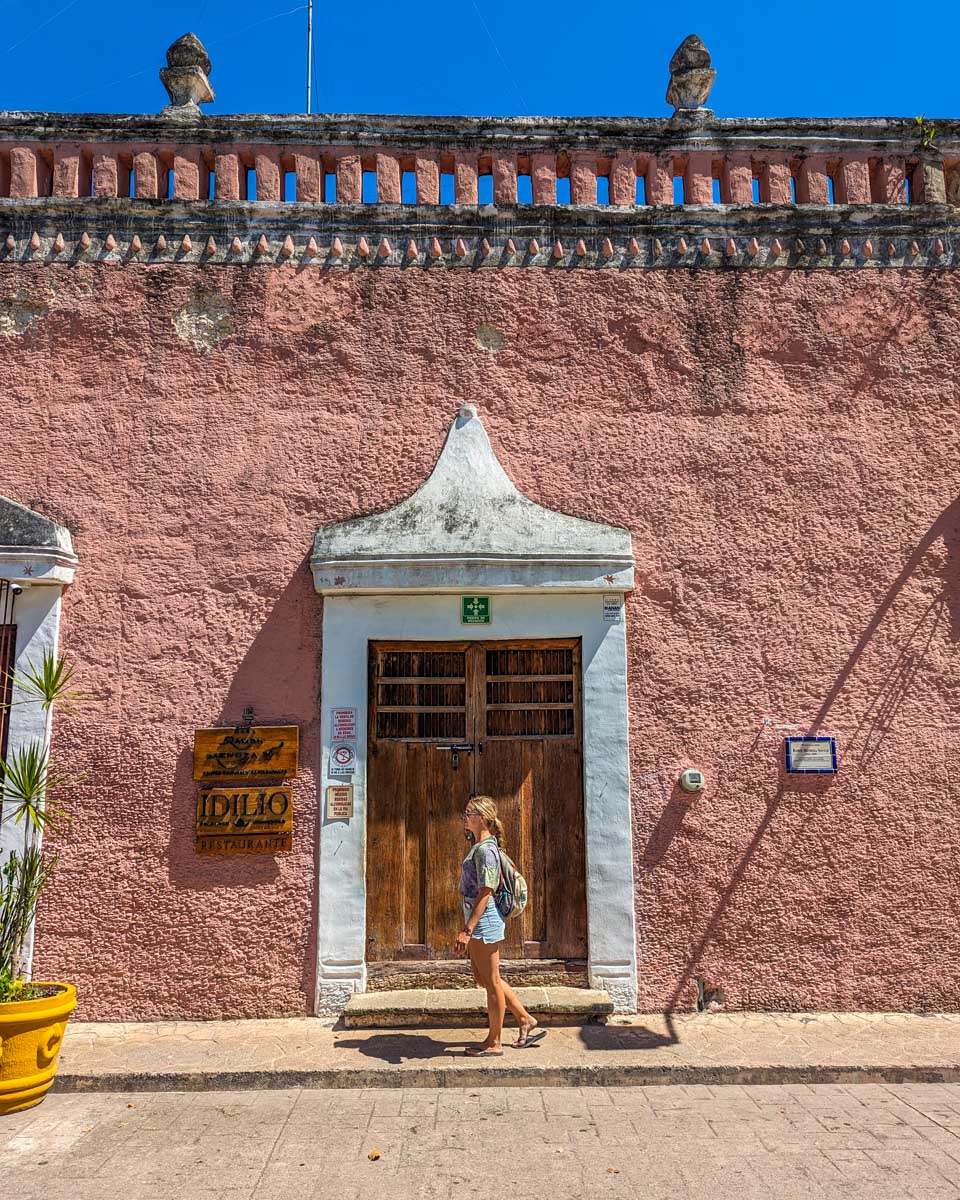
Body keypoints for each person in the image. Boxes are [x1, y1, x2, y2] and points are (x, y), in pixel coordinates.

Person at [454, 794, 545, 1056]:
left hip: (484, 920)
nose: (465, 817)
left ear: (481, 818)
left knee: (491, 981)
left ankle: (494, 1042)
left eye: (469, 813)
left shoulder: (485, 850)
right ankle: (525, 1018)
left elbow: (486, 891)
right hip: (480, 918)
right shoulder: (482, 846)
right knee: (483, 977)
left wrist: (467, 930)